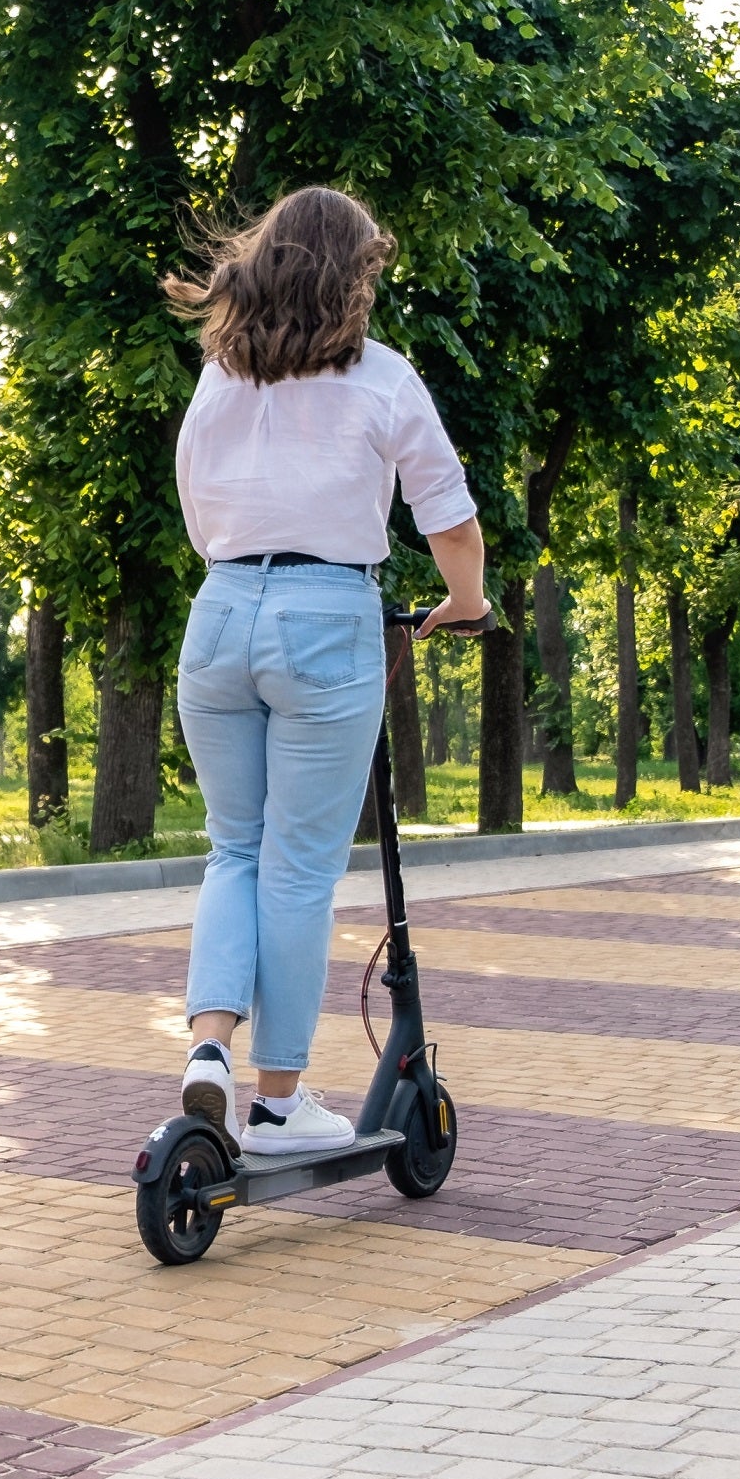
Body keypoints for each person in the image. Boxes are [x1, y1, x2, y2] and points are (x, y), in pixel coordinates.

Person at [164, 187, 489, 1158]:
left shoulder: (220, 374)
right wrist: (462, 600)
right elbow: (447, 514)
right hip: (325, 615)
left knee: (233, 848)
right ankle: (275, 1106)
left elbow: (195, 509)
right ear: (352, 278)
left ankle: (209, 1050)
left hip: (218, 613)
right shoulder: (381, 377)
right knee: (297, 870)